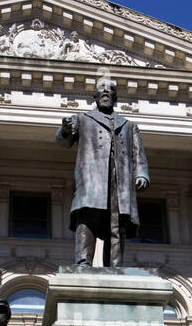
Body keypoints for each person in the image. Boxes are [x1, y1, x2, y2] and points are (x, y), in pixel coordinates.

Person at [56, 76, 149, 267]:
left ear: (115, 97)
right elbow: (63, 141)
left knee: (117, 223)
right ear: (95, 95)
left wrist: (142, 173)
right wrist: (65, 129)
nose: (106, 91)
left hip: (120, 180)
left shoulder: (129, 126)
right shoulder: (82, 119)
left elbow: (137, 153)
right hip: (92, 179)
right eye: (102, 88)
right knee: (87, 218)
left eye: (111, 89)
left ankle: (115, 266)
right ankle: (83, 262)